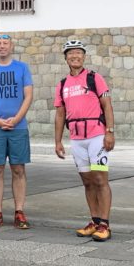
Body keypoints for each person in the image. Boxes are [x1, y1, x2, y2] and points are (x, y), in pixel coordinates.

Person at [54, 39, 116, 242]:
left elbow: (107, 105)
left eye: (78, 53)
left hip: (96, 134)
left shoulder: (94, 77)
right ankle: (95, 221)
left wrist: (110, 132)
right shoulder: (62, 84)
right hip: (76, 138)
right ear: (65, 59)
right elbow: (60, 114)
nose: (74, 56)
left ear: (84, 56)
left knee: (100, 179)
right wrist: (58, 141)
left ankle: (105, 224)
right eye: (70, 54)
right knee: (87, 182)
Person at [0, 33, 34, 229]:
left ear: (11, 46)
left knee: (18, 168)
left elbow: (28, 96)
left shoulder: (22, 68)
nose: (2, 46)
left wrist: (16, 118)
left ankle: (19, 211)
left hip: (18, 127)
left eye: (5, 43)